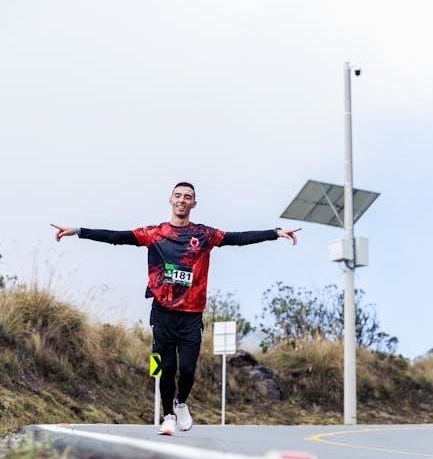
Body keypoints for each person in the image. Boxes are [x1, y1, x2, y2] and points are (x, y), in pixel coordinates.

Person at [51, 182, 301, 436]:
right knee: (166, 368)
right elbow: (116, 237)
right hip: (162, 313)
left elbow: (238, 239)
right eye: (178, 196)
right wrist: (78, 231)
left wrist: (275, 233)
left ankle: (181, 403)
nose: (182, 200)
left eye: (188, 197)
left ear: (194, 203)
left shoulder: (204, 235)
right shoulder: (154, 233)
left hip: (192, 315)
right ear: (170, 200)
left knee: (188, 369)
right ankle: (168, 415)